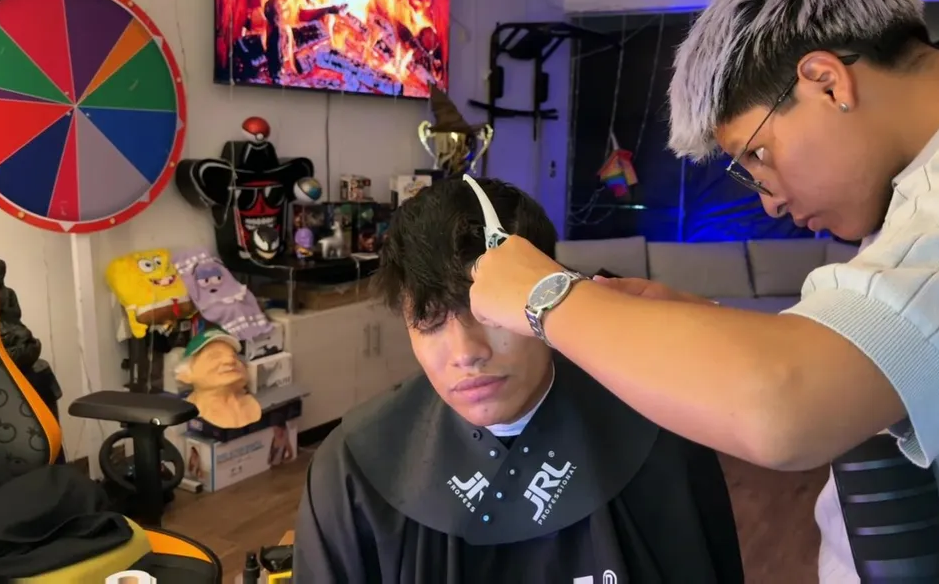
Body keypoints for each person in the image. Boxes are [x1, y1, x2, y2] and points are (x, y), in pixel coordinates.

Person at [468, 0, 939, 582]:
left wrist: (543, 294)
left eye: (757, 155)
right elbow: (927, 354)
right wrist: (699, 321)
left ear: (826, 82)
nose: (770, 201)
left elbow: (785, 409)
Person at [294, 178, 743, 583]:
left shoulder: (656, 432)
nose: (466, 352)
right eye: (429, 320)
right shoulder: (355, 468)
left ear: (548, 294)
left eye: (489, 312)